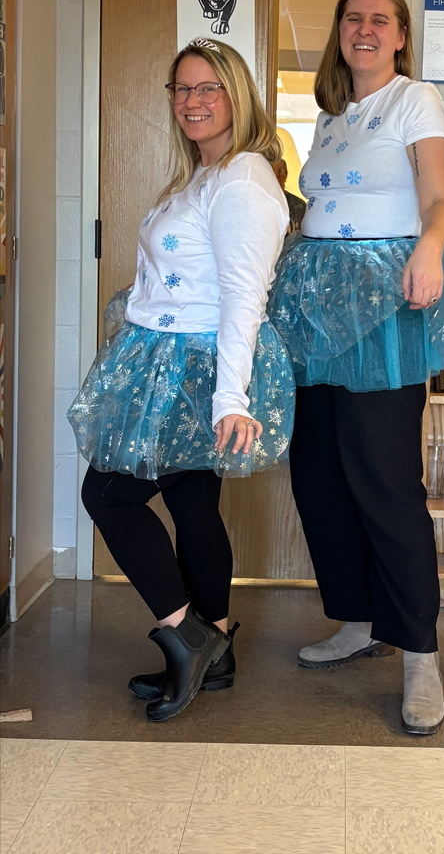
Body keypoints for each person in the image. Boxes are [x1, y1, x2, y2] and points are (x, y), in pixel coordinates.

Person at [69, 38, 294, 722]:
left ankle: (184, 636)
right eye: (182, 90)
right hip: (171, 356)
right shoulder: (206, 173)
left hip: (196, 368)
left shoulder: (243, 181)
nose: (192, 102)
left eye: (208, 89)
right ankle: (216, 643)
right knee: (193, 501)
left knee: (107, 494)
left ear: (237, 97)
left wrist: (229, 398)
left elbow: (243, 296)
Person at [268, 0, 444, 735]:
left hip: (383, 302)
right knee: (319, 476)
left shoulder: (417, 99)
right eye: (354, 18)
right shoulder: (332, 116)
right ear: (340, 32)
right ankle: (355, 617)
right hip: (314, 302)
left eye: (381, 20)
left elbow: (438, 196)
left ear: (401, 34)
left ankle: (419, 653)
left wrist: (432, 250)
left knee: (384, 480)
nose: (366, 29)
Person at [272, 156, 307, 234]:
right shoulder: (261, 203)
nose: (277, 175)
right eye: (272, 171)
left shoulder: (299, 205)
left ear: (286, 175)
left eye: (281, 171)